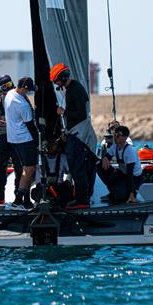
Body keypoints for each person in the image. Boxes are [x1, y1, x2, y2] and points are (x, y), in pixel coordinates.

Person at [50, 63, 97, 208]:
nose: (56, 84)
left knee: (77, 167)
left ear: (62, 78)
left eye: (56, 81)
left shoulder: (74, 90)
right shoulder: (72, 88)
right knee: (81, 166)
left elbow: (80, 114)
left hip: (78, 134)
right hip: (75, 133)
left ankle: (82, 200)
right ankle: (84, 197)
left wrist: (63, 112)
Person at [4, 76, 38, 208]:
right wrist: (38, 143)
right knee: (29, 169)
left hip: (13, 139)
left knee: (24, 169)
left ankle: (26, 200)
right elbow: (31, 126)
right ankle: (18, 201)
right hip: (25, 139)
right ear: (24, 88)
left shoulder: (10, 94)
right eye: (28, 90)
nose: (29, 93)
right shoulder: (22, 104)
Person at [0, 74, 21, 204]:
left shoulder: (18, 95)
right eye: (4, 86)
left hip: (17, 137)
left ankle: (19, 196)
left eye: (9, 85)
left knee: (19, 167)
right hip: (3, 136)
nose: (7, 88)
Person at [98, 125, 143, 204]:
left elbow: (130, 175)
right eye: (114, 135)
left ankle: (131, 194)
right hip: (123, 174)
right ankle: (113, 192)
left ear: (125, 137)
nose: (115, 137)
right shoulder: (115, 146)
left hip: (134, 178)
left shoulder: (129, 151)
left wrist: (131, 194)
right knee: (99, 165)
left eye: (118, 135)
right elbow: (107, 156)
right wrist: (105, 158)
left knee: (119, 197)